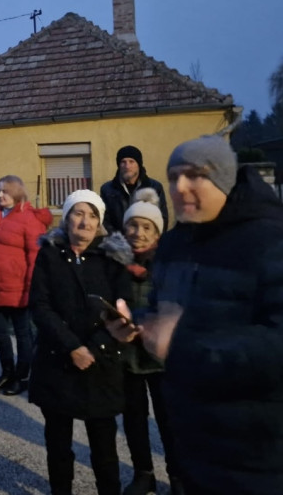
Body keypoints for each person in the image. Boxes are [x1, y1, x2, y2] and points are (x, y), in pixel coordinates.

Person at [141, 135, 283, 494]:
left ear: (224, 180)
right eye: (172, 177)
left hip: (264, 462)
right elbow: (162, 310)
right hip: (194, 450)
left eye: (193, 175)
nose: (179, 187)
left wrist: (182, 344)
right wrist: (138, 322)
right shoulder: (174, 245)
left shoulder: (277, 244)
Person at [28, 190, 131, 495]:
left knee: (104, 448)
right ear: (67, 217)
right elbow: (40, 305)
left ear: (100, 223)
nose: (85, 222)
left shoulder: (113, 258)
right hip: (56, 361)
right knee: (58, 445)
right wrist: (72, 347)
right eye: (78, 213)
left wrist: (94, 348)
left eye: (92, 215)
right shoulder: (49, 254)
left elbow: (122, 313)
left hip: (101, 365)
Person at [100, 189, 181, 495]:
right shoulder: (113, 261)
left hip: (162, 358)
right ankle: (143, 473)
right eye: (133, 225)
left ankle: (177, 475)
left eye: (147, 227)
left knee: (170, 420)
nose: (138, 233)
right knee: (134, 418)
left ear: (158, 231)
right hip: (128, 355)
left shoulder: (169, 263)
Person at [0, 175, 51, 395]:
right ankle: (7, 372)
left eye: (5, 191)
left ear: (16, 193)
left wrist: (31, 290)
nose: (0, 195)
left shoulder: (29, 219)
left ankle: (22, 376)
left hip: (19, 292)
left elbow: (35, 258)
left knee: (23, 335)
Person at [99, 146, 168, 234]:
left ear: (138, 164)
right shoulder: (107, 189)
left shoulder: (154, 187)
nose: (127, 166)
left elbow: (162, 219)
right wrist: (119, 241)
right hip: (118, 244)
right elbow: (105, 221)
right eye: (123, 162)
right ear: (119, 165)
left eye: (131, 162)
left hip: (147, 242)